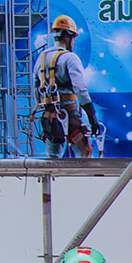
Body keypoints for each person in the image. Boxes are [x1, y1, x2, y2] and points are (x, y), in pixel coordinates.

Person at [35, 14, 99, 158]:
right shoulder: (70, 58)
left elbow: (36, 89)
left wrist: (46, 106)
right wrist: (92, 117)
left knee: (53, 158)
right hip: (69, 114)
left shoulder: (41, 58)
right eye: (73, 38)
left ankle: (54, 174)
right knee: (85, 155)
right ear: (66, 36)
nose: (74, 43)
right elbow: (80, 90)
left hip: (49, 116)